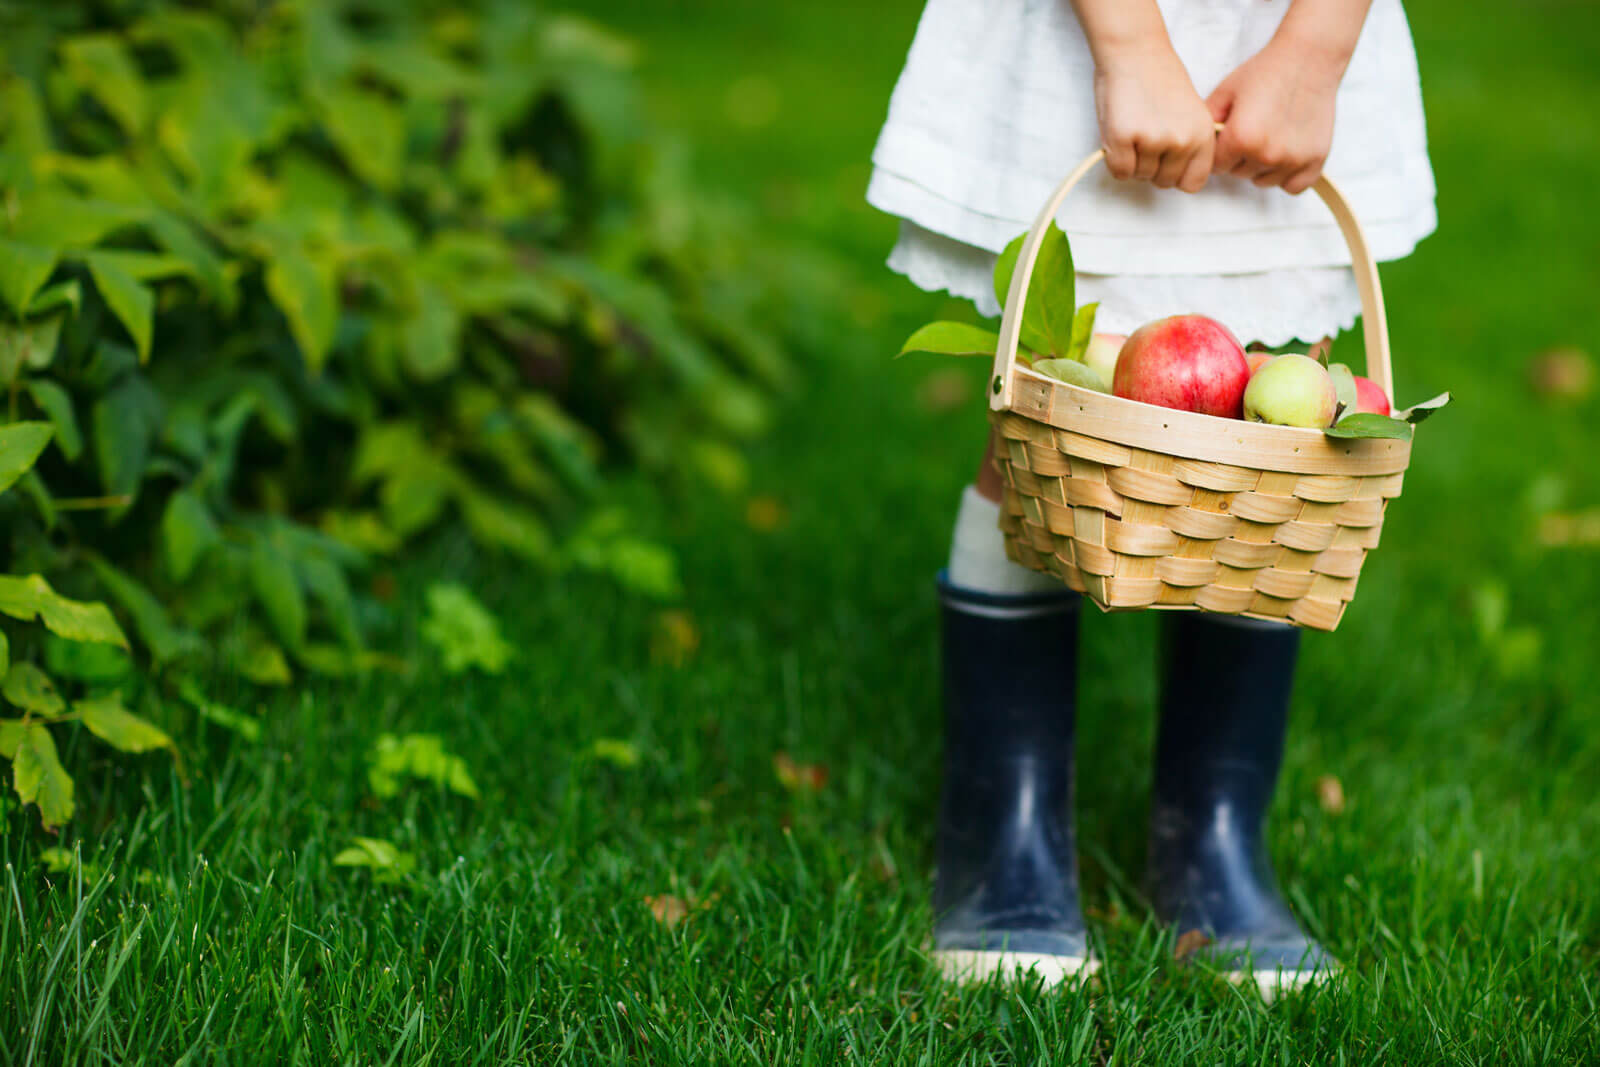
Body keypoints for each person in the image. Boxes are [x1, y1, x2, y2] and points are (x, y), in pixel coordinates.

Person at [867, 0, 1435, 995]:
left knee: (1267, 443)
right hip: (1089, 33)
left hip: (1286, 41)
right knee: (1051, 431)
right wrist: (1127, 42)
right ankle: (1003, 832)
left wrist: (1313, 49)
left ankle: (1210, 842)